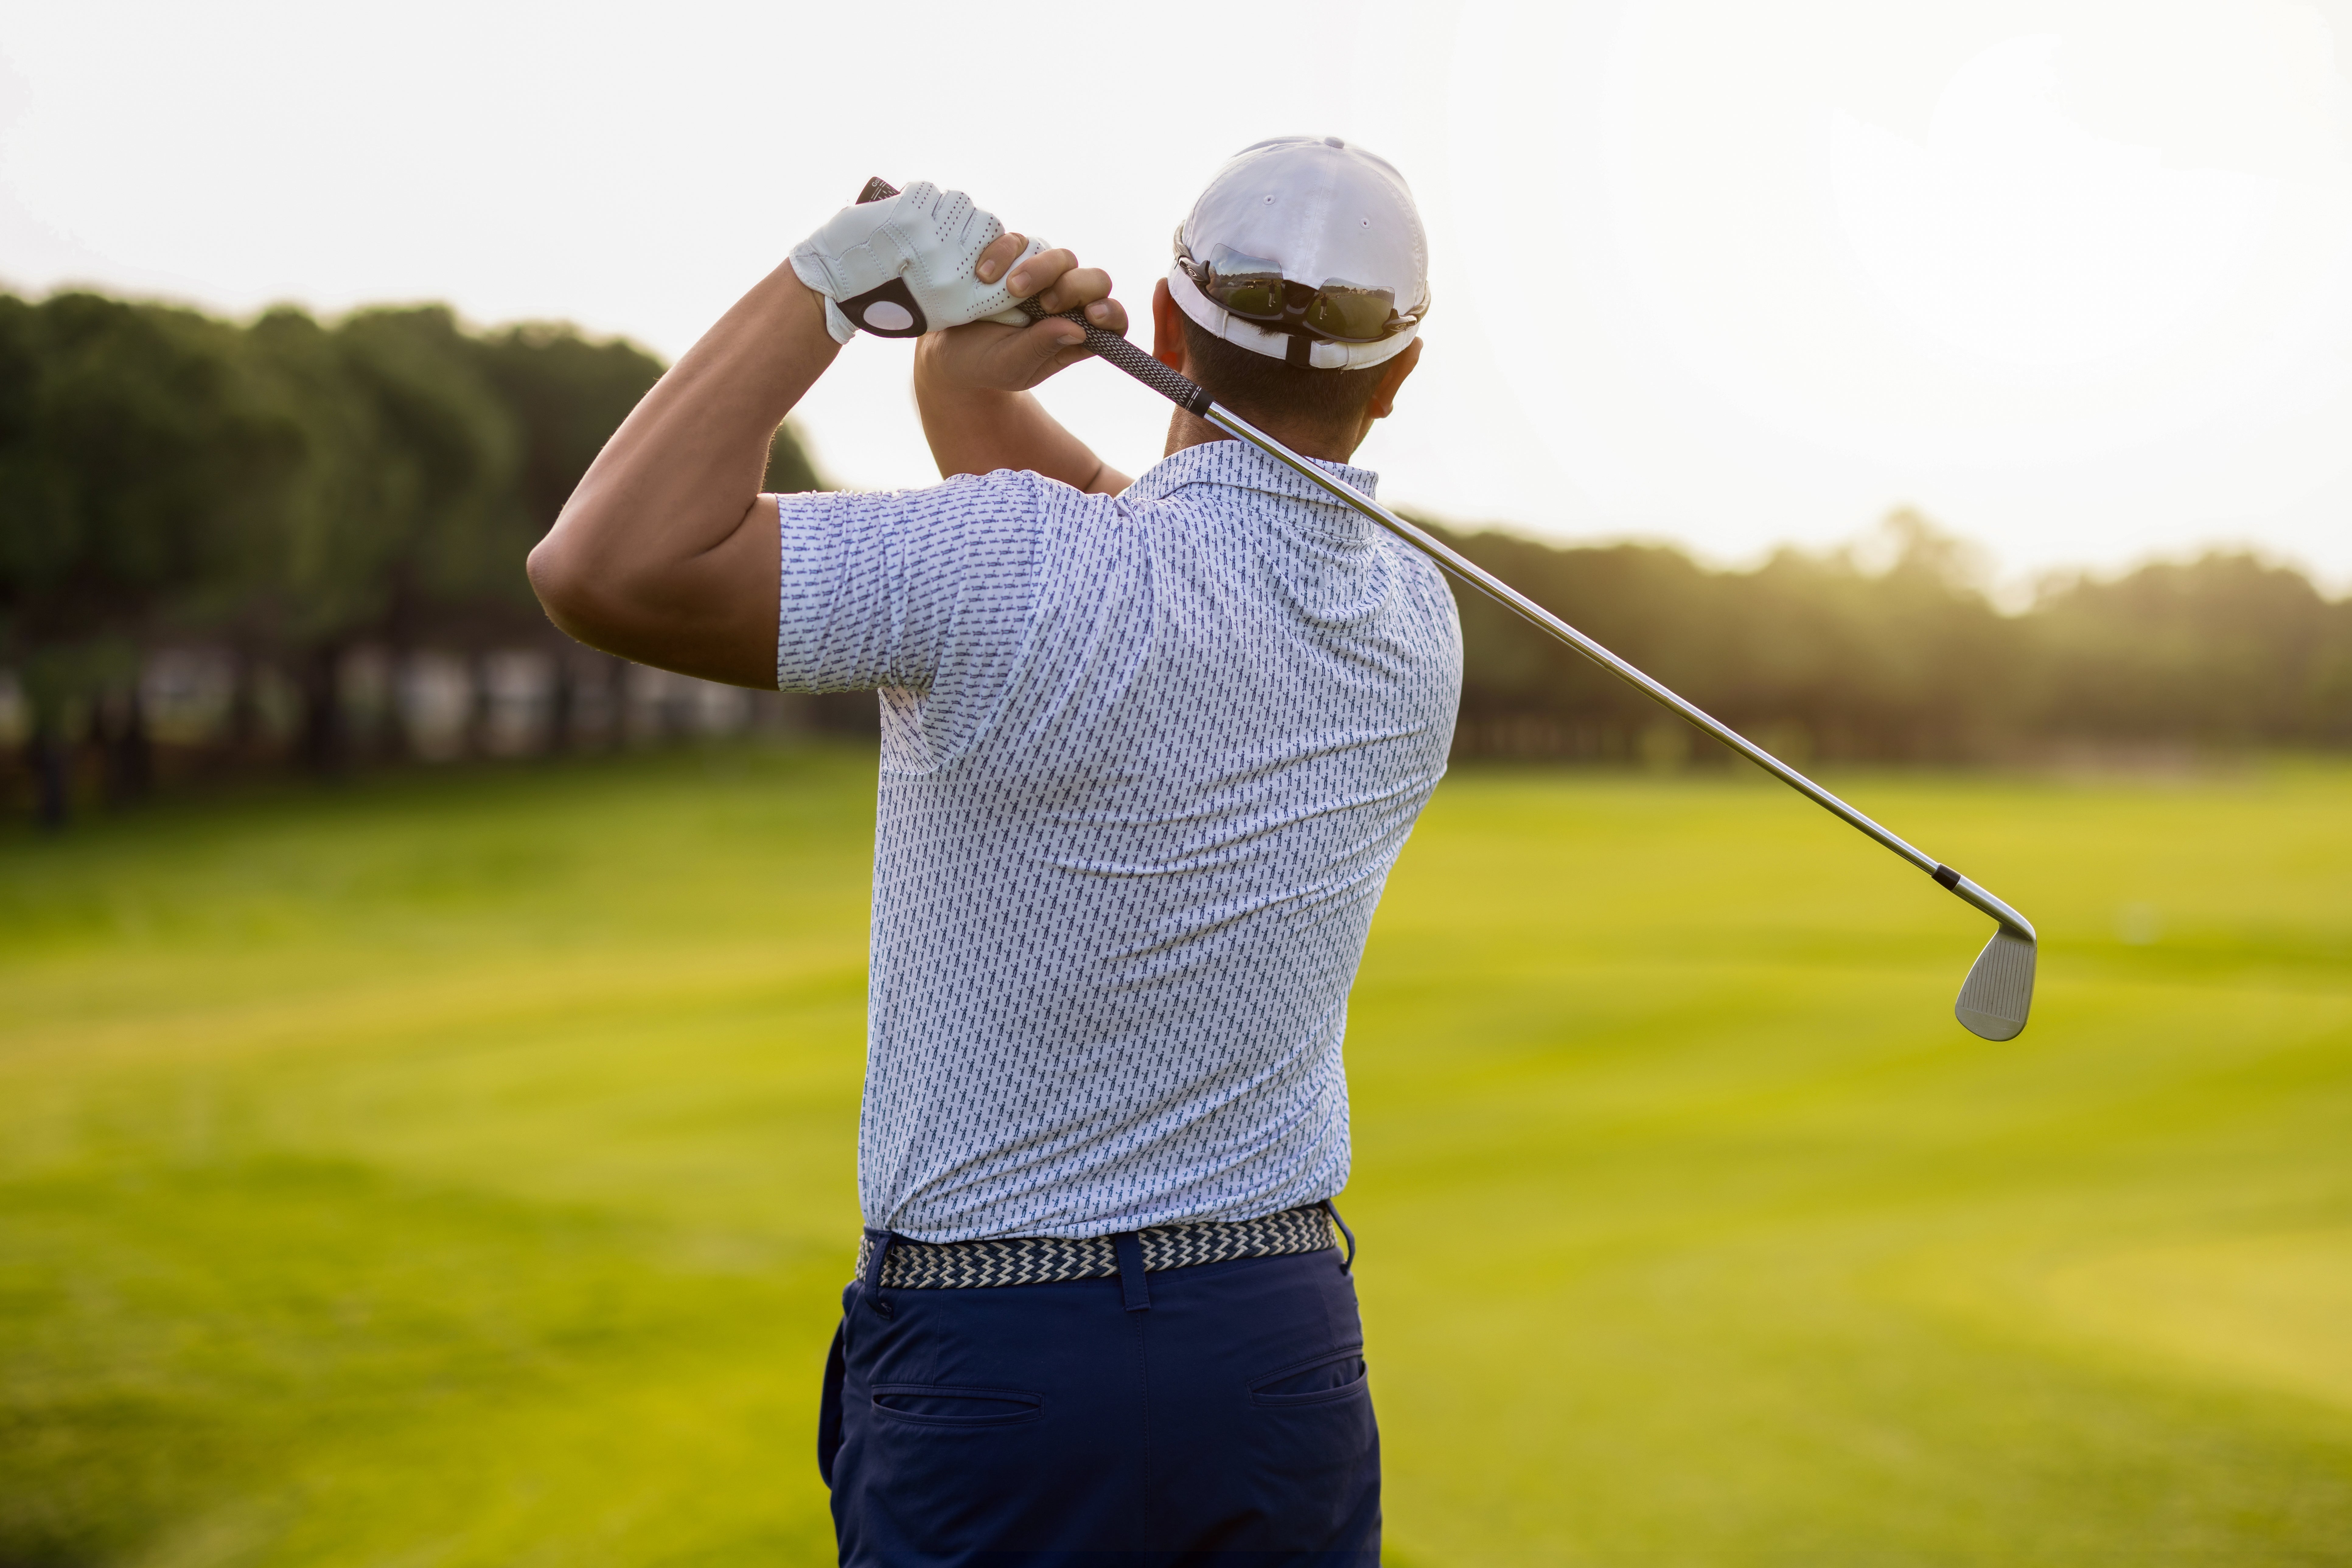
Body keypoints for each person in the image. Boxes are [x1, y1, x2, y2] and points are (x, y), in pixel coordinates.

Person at [527, 137, 1461, 1563]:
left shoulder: (1018, 564)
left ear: (1165, 326)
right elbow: (1149, 567)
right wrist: (958, 385)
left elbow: (601, 565)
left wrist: (833, 281)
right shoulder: (1415, 618)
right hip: (1275, 1356)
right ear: (1399, 375)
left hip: (999, 1363)